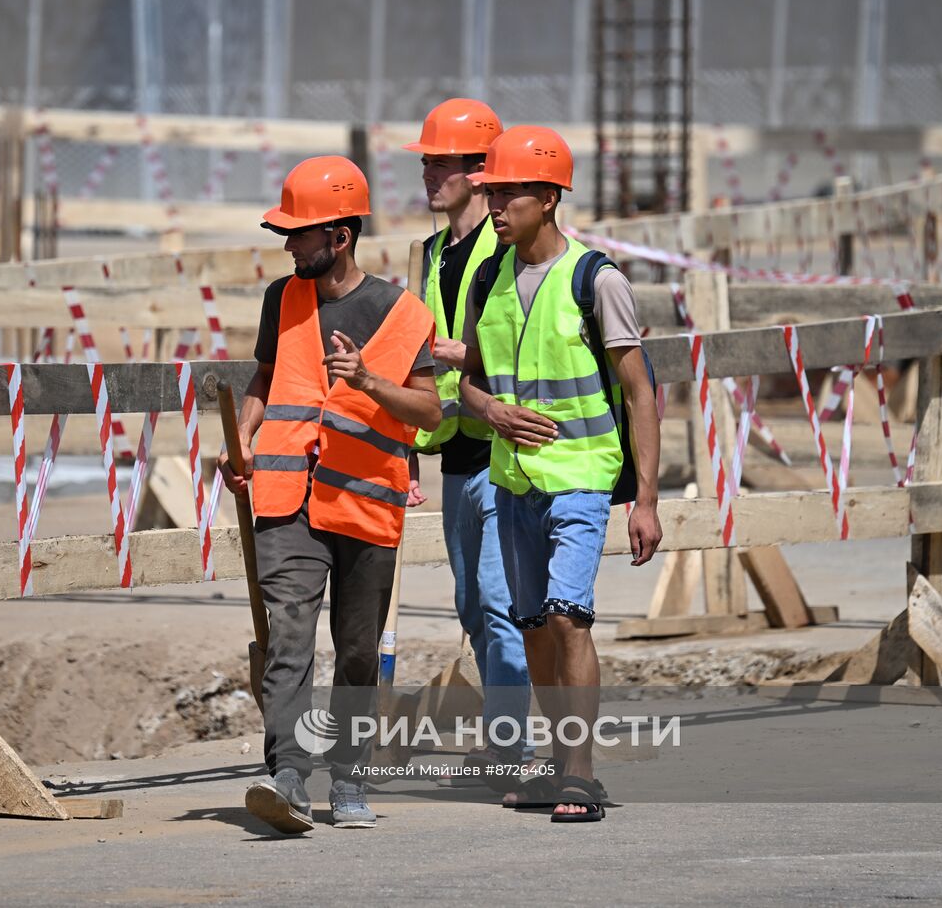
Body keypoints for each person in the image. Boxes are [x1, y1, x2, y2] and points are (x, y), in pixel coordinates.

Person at [220, 155, 440, 833]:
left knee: (355, 650)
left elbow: (429, 413)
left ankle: (350, 778)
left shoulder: (401, 314)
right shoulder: (280, 300)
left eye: (299, 233)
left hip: (366, 500)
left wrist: (371, 381)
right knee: (287, 636)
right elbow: (264, 380)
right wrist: (245, 438)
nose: (288, 246)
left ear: (339, 236)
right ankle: (287, 774)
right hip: (285, 494)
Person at [459, 126, 662, 822]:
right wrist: (492, 411)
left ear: (547, 197)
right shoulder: (488, 276)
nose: (495, 203)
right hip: (512, 481)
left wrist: (645, 500)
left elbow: (640, 393)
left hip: (581, 477)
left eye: (509, 191)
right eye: (490, 190)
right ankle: (554, 760)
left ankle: (579, 773)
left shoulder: (596, 281)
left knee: (568, 617)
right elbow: (470, 385)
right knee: (533, 628)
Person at [403, 98, 532, 781]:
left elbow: (517, 338)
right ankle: (508, 728)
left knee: (496, 598)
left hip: (500, 449)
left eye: (440, 163)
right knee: (468, 605)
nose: (429, 174)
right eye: (426, 162)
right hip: (452, 449)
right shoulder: (429, 252)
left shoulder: (503, 245)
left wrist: (469, 358)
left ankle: (510, 742)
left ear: (478, 170)